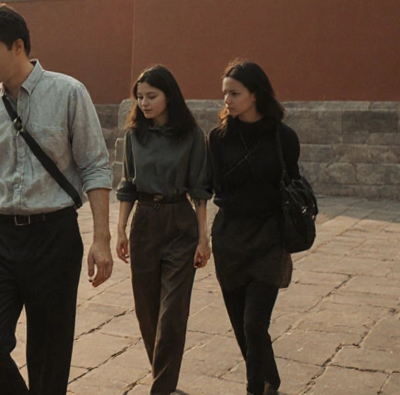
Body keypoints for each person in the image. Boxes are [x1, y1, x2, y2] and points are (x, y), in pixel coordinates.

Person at [0, 3, 114, 395]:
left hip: (54, 237)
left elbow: (95, 167)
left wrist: (101, 239)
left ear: (18, 46)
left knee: (49, 359)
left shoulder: (69, 93)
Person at [196, 60, 301, 395]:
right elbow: (206, 187)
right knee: (242, 327)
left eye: (234, 93)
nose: (226, 99)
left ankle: (255, 387)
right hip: (230, 238)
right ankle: (270, 378)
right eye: (224, 93)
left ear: (255, 94)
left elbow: (294, 183)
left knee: (255, 323)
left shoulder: (283, 137)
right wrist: (202, 237)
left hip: (269, 237)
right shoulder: (217, 138)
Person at [115, 65, 211, 395]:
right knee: (147, 311)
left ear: (169, 96)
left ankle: (161, 389)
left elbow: (199, 190)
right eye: (139, 97)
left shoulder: (192, 136)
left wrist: (204, 238)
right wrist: (120, 230)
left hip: (180, 222)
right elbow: (127, 186)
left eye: (151, 96)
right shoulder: (134, 136)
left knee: (172, 314)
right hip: (144, 224)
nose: (144, 103)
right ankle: (164, 380)